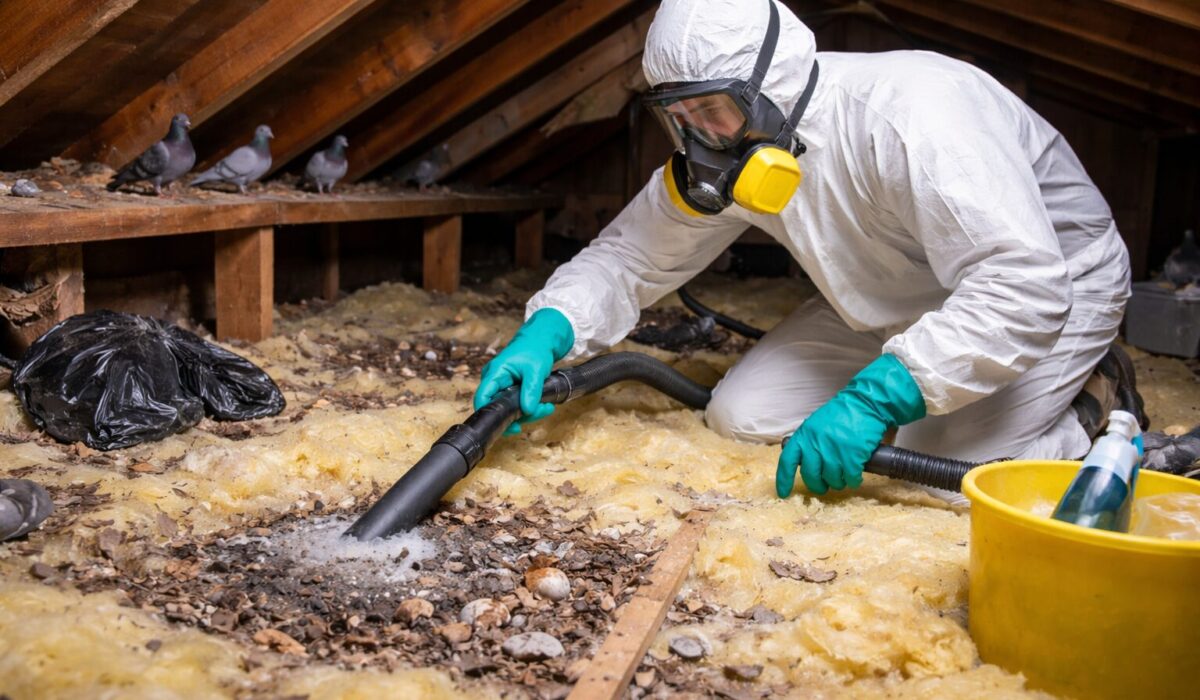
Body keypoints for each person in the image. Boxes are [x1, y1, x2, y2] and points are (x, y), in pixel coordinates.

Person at [474, 0, 1137, 500]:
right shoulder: (730, 149)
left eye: (712, 112)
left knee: (936, 476)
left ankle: (1089, 394)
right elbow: (628, 256)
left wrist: (877, 399)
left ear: (771, 90)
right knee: (740, 415)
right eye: (678, 117)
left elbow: (1022, 282)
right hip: (899, 293)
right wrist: (550, 329)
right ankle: (925, 369)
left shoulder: (914, 115)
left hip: (1052, 286)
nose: (699, 138)